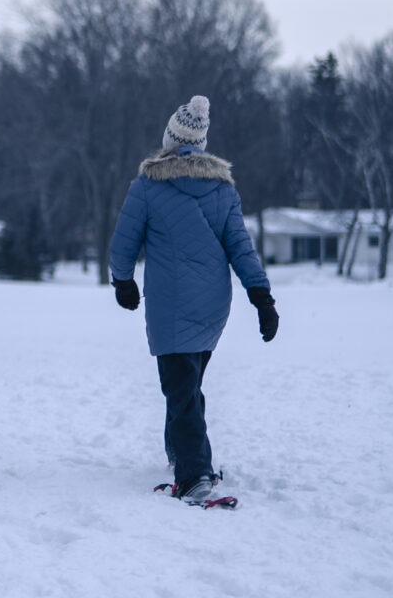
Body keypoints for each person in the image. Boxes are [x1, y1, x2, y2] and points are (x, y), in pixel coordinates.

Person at [108, 95, 279, 500]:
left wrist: (122, 281)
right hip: (212, 306)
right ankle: (180, 451)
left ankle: (195, 474)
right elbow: (241, 248)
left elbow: (122, 244)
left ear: (169, 139)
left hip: (169, 305)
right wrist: (261, 296)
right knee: (188, 383)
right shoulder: (223, 190)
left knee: (182, 391)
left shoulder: (148, 186)